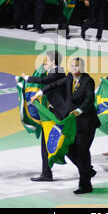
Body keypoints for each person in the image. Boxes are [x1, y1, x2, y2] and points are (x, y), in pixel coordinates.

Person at [31, 58, 100, 194]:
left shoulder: (88, 81)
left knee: (82, 151)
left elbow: (89, 99)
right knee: (67, 147)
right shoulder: (69, 78)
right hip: (73, 123)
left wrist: (80, 110)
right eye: (72, 66)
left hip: (86, 123)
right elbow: (53, 85)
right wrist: (39, 94)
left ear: (81, 68)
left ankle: (85, 185)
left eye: (76, 67)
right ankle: (87, 171)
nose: (73, 69)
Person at [20, 51, 66, 182]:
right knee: (49, 143)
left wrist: (27, 78)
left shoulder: (58, 72)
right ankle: (46, 173)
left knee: (64, 145)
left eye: (47, 60)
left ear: (53, 62)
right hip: (53, 113)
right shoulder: (55, 72)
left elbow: (44, 81)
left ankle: (84, 168)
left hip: (59, 114)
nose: (45, 63)